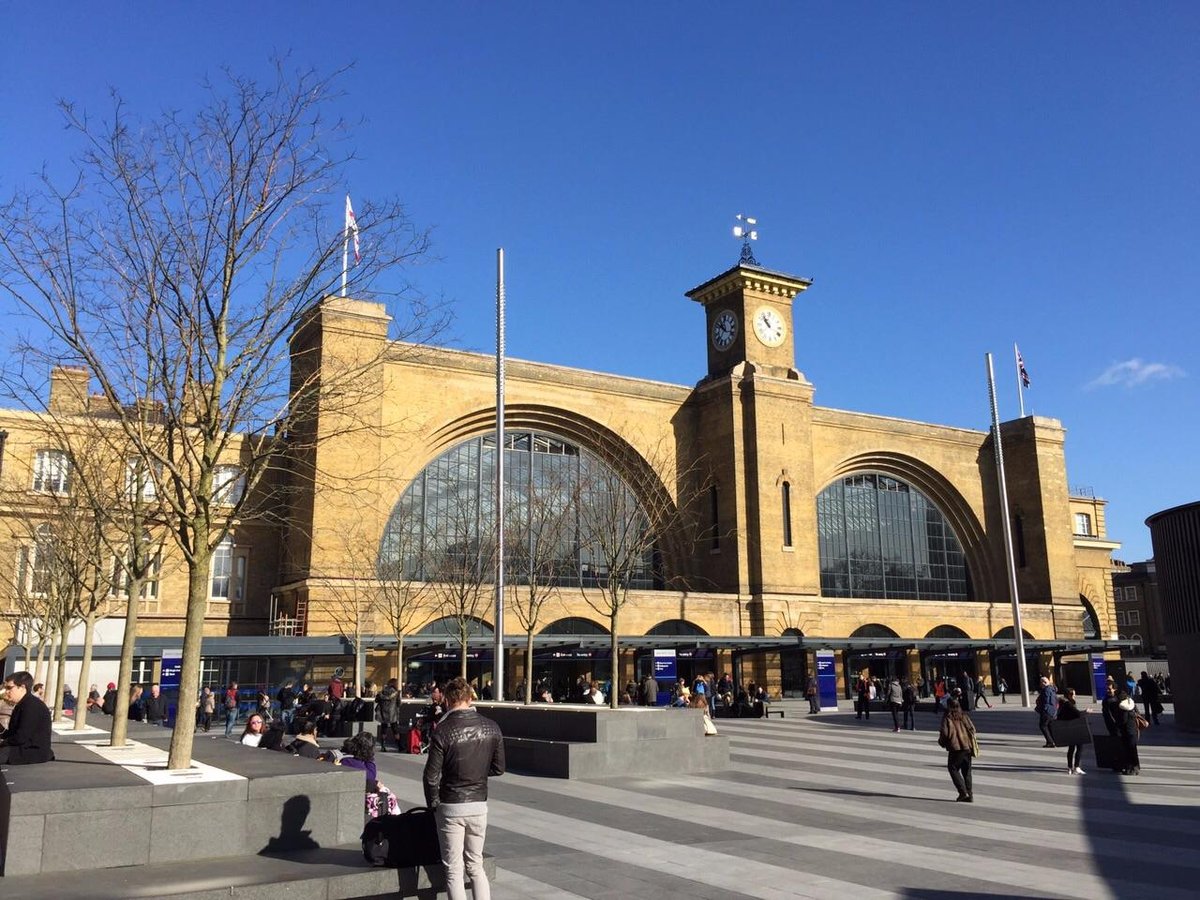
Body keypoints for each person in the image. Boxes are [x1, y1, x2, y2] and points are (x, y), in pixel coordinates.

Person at [423, 676, 505, 900]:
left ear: (448, 701)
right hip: (479, 804)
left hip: (451, 805)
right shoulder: (491, 727)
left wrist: (434, 805)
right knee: (476, 865)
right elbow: (499, 768)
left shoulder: (442, 730)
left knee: (453, 870)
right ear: (470, 698)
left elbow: (431, 776)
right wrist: (476, 774)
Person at [0, 671, 55, 765]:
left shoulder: (31, 706)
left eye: (9, 688)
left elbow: (21, 737)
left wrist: (3, 743)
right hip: (23, 748)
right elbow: (15, 734)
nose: (6, 691)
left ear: (22, 687)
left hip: (32, 752)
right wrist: (2, 730)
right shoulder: (23, 704)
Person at [937, 698, 976, 802]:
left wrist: (941, 742)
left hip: (956, 748)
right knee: (967, 771)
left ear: (949, 706)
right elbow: (972, 729)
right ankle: (970, 794)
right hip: (967, 747)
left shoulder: (947, 718)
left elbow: (945, 733)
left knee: (952, 768)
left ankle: (963, 792)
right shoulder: (964, 716)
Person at [1056, 688, 1088, 775]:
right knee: (1079, 747)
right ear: (1069, 695)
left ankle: (1070, 767)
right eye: (1073, 694)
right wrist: (1086, 711)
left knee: (1071, 748)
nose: (1075, 696)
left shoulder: (1063, 703)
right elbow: (1077, 713)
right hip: (1074, 728)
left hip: (1068, 728)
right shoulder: (1068, 704)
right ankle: (1076, 767)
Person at [1114, 690, 1142, 775]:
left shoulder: (1122, 707)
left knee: (1128, 750)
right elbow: (1138, 713)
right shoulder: (1132, 704)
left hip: (1126, 731)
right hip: (1133, 730)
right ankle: (1136, 766)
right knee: (1133, 750)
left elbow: (1123, 721)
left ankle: (1130, 768)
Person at [375, 678, 401, 751]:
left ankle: (383, 746)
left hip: (383, 713)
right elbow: (399, 703)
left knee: (384, 729)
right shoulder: (396, 692)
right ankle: (399, 746)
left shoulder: (383, 691)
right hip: (392, 713)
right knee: (395, 729)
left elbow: (376, 700)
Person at [1035, 676, 1058, 747]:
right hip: (1053, 711)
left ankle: (1050, 742)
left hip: (1047, 711)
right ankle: (1054, 741)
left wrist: (1044, 709)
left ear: (1044, 683)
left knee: (1043, 726)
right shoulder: (1052, 689)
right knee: (1050, 726)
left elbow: (1046, 701)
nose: (1040, 684)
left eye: (1041, 682)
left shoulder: (1046, 690)